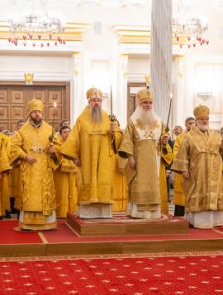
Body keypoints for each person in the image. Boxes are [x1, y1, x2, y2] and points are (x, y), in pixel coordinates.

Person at [58, 88, 122, 219]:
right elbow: (73, 138)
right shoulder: (81, 119)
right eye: (94, 100)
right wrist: (74, 157)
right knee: (87, 181)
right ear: (89, 102)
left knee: (103, 181)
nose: (96, 103)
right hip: (86, 159)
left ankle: (103, 213)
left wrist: (113, 132)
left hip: (104, 159)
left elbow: (118, 140)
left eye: (99, 100)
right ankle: (87, 213)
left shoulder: (108, 118)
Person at [171, 105, 223, 229]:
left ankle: (214, 221)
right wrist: (184, 170)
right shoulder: (189, 136)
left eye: (206, 119)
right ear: (197, 121)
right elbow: (183, 154)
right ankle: (198, 221)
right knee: (196, 194)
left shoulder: (215, 135)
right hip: (197, 172)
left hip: (214, 172)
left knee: (214, 194)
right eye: (201, 119)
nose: (204, 121)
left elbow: (221, 153)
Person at [11, 99, 58, 230]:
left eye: (39, 112)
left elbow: (58, 148)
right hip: (29, 168)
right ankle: (27, 223)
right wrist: (25, 156)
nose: (37, 114)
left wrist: (54, 151)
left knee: (45, 193)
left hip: (44, 167)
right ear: (30, 114)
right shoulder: (22, 131)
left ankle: (47, 223)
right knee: (29, 194)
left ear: (42, 114)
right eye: (34, 112)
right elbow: (13, 147)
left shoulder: (50, 129)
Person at [118, 88, 164, 219]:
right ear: (140, 104)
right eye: (145, 103)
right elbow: (127, 141)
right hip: (138, 159)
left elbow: (159, 142)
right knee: (138, 183)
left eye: (150, 103)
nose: (148, 105)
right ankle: (137, 212)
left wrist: (164, 141)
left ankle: (153, 212)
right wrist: (130, 157)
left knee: (153, 183)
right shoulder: (132, 121)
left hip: (153, 159)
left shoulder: (158, 121)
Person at [171, 117, 195, 216]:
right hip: (183, 170)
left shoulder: (199, 137)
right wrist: (186, 163)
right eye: (190, 123)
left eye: (194, 123)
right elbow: (176, 153)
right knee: (182, 196)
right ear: (185, 125)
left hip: (195, 171)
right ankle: (179, 217)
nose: (192, 126)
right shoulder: (180, 137)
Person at [53, 125, 79, 218]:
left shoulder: (74, 144)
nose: (67, 134)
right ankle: (61, 213)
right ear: (60, 134)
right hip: (61, 173)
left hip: (73, 173)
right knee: (62, 192)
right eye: (65, 132)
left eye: (69, 132)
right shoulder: (57, 145)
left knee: (73, 192)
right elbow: (54, 160)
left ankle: (72, 212)